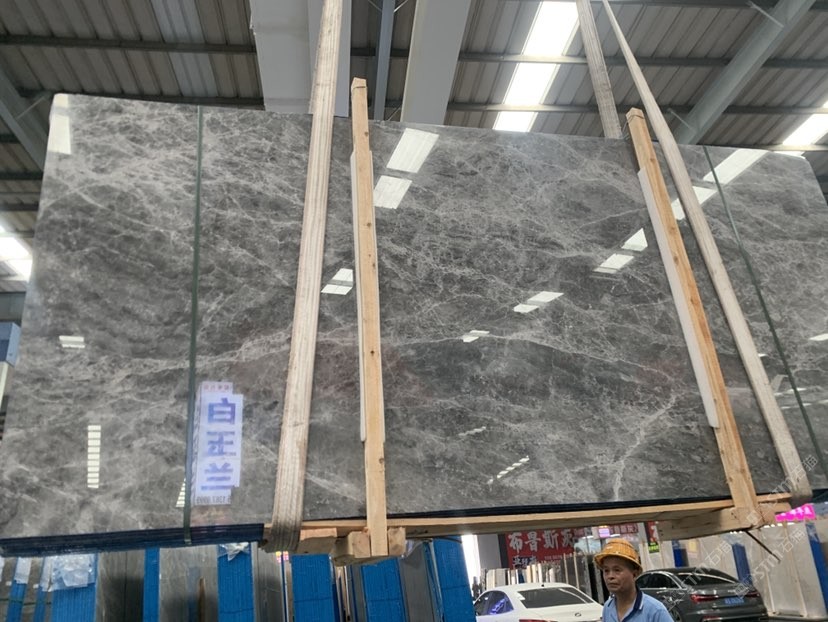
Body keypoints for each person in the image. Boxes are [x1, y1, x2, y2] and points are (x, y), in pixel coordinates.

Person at [594, 538, 673, 622]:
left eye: (617, 570)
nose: (610, 576)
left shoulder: (655, 611)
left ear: (634, 574)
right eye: (606, 570)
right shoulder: (608, 608)